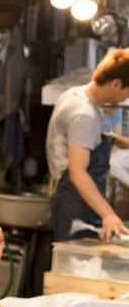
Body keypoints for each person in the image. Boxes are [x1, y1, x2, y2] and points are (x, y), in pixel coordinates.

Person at [46, 49, 129, 242]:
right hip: (76, 203)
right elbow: (78, 172)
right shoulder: (83, 114)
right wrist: (108, 214)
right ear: (116, 84)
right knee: (75, 267)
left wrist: (117, 140)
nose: (125, 99)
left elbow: (81, 136)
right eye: (127, 92)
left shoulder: (76, 94)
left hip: (80, 199)